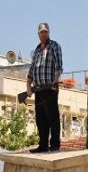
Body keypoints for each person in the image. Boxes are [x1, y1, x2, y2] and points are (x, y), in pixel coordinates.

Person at [26, 23, 63, 153]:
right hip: (38, 89)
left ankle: (54, 144)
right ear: (38, 34)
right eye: (42, 32)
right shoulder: (36, 51)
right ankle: (42, 145)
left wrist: (56, 81)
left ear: (49, 32)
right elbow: (31, 72)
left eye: (46, 31)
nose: (44, 34)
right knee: (40, 119)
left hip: (50, 88)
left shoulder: (54, 46)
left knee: (52, 117)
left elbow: (59, 66)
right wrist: (28, 87)